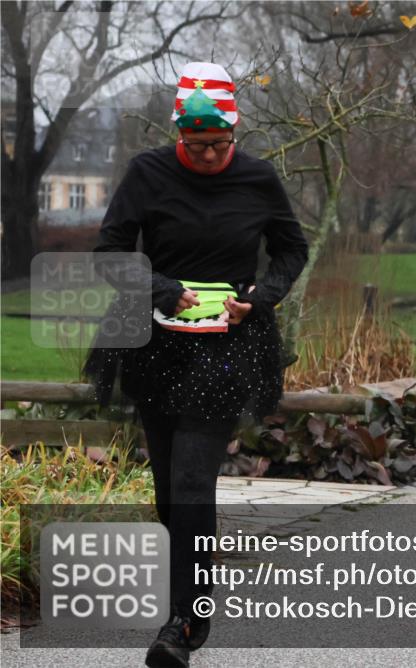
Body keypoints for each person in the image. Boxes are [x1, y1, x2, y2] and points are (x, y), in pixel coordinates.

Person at [84, 62, 308, 667]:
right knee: (167, 487)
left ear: (235, 132)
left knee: (191, 480)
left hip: (228, 344)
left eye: (219, 143)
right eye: (196, 142)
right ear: (178, 131)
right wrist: (160, 287)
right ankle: (186, 600)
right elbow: (109, 253)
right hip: (155, 342)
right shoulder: (148, 172)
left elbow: (292, 249)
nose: (208, 154)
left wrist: (260, 297)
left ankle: (183, 622)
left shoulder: (258, 178)